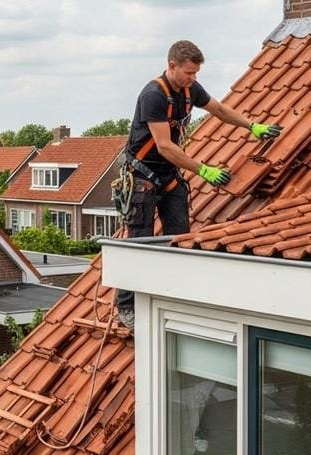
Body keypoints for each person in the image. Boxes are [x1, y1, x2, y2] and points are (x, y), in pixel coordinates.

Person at [116, 39, 281, 330]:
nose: (193, 78)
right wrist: (203, 169)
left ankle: (173, 293)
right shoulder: (153, 95)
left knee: (179, 236)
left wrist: (252, 126)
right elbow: (165, 146)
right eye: (189, 72)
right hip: (143, 175)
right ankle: (127, 307)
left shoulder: (191, 90)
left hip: (168, 175)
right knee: (138, 243)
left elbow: (219, 110)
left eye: (196, 73)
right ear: (172, 66)